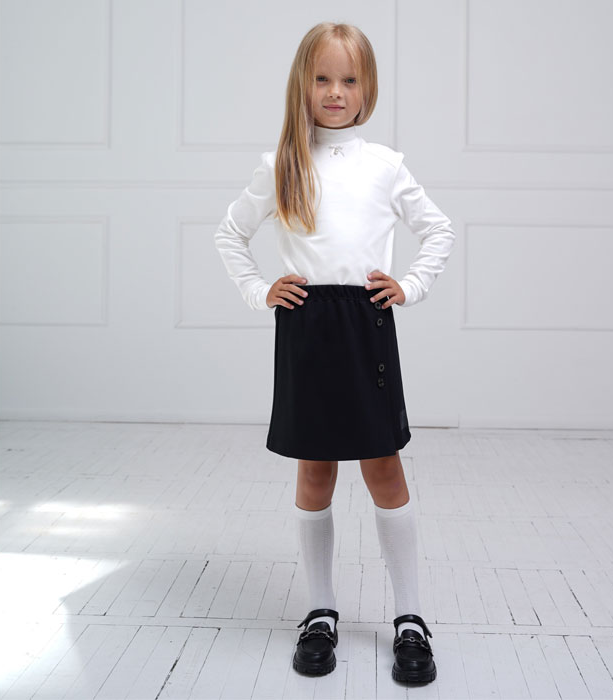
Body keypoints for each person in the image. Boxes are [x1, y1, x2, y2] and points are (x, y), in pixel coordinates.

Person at [214, 21, 455, 685]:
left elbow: (437, 230)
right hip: (308, 327)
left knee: (384, 467)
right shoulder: (281, 165)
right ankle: (320, 612)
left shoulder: (386, 165)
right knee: (315, 471)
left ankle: (410, 617)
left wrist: (410, 285)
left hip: (365, 324)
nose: (335, 91)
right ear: (303, 83)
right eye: (322, 78)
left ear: (367, 87)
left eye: (348, 79)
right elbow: (229, 234)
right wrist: (260, 289)